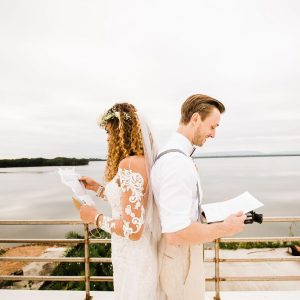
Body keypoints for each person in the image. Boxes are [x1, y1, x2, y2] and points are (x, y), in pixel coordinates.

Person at [151, 94, 246, 300]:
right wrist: (225, 228)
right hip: (180, 259)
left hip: (179, 256)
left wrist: (211, 214)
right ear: (195, 119)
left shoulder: (174, 156)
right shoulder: (177, 163)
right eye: (213, 126)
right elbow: (175, 233)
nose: (213, 134)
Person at [78, 103, 163, 300]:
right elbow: (133, 203)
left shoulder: (129, 164)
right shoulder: (145, 162)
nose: (107, 138)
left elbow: (133, 229)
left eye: (109, 132)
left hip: (133, 255)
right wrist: (98, 188)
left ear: (122, 132)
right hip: (139, 252)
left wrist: (95, 218)